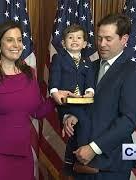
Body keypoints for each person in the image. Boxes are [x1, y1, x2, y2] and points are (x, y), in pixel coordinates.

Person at [63, 13, 136, 179]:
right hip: (80, 160)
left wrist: (94, 148)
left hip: (111, 166)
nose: (102, 44)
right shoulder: (89, 67)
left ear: (124, 39)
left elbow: (128, 121)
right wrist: (71, 115)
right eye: (99, 38)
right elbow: (85, 103)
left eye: (108, 39)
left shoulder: (134, 73)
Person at [0, 20, 55, 180]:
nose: (16, 44)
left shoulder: (29, 73)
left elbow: (37, 111)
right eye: (9, 40)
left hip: (22, 154)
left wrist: (56, 100)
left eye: (19, 39)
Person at [48, 24, 95, 177]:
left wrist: (89, 92)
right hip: (66, 102)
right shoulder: (59, 58)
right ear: (63, 43)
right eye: (70, 38)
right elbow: (54, 77)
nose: (74, 40)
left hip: (82, 101)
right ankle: (82, 161)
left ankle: (70, 162)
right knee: (85, 122)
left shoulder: (87, 61)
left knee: (81, 126)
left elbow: (89, 82)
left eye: (79, 38)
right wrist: (54, 92)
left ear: (85, 43)